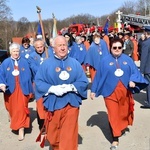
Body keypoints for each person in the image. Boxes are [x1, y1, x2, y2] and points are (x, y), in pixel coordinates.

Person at [90, 38, 148, 150]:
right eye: (114, 47)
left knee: (123, 113)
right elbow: (98, 76)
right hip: (109, 92)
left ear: (122, 48)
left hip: (125, 92)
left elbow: (135, 72)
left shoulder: (128, 59)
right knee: (113, 114)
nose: (117, 49)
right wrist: (93, 90)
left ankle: (120, 127)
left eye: (119, 47)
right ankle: (115, 138)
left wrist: (133, 80)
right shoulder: (104, 61)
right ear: (110, 48)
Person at [35, 35, 88, 150]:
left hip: (71, 103)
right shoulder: (46, 64)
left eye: (64, 45)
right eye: (59, 45)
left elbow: (83, 81)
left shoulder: (74, 63)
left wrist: (72, 87)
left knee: (69, 135)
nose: (63, 48)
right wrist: (52, 89)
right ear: (53, 48)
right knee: (53, 136)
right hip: (53, 104)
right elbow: (38, 82)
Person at [0, 43, 33, 141]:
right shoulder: (5, 62)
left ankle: (21, 129)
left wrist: (31, 89)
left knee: (21, 109)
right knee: (11, 107)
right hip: (10, 89)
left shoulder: (25, 62)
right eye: (14, 51)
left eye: (17, 51)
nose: (16, 53)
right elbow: (1, 75)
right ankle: (12, 116)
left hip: (22, 89)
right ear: (11, 52)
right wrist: (2, 84)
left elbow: (29, 76)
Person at [28, 39, 51, 130]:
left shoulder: (49, 53)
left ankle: (51, 123)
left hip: (50, 82)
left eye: (41, 47)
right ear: (34, 48)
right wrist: (45, 69)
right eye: (37, 47)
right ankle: (42, 125)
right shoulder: (32, 56)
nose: (40, 49)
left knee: (50, 103)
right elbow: (34, 68)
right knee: (40, 104)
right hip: (38, 83)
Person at [140, 27, 150, 109]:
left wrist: (141, 70)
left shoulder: (146, 43)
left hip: (148, 68)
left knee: (149, 85)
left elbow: (144, 57)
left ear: (146, 33)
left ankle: (149, 102)